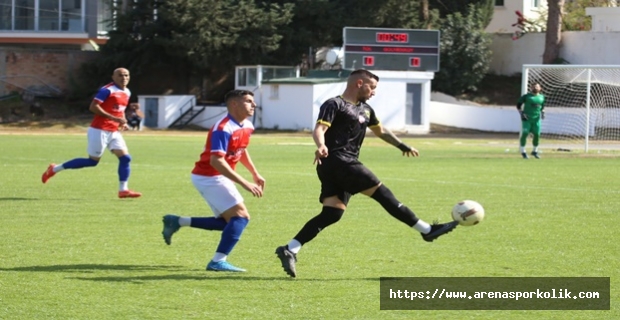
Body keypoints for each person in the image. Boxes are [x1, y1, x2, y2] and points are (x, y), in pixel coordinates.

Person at [275, 69, 459, 278]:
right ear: (359, 83)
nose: (373, 92)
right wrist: (321, 145)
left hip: (333, 166)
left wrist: (402, 146)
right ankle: (427, 230)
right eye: (372, 87)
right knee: (383, 194)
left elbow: (380, 131)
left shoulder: (366, 110)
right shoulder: (334, 104)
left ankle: (290, 248)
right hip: (340, 161)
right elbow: (319, 129)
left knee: (332, 214)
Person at [161, 90, 265, 272]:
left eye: (253, 101)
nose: (253, 105)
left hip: (218, 176)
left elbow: (241, 149)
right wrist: (244, 183)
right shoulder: (223, 128)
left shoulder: (247, 125)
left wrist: (254, 173)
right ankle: (217, 261)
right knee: (240, 217)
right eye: (248, 101)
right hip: (210, 176)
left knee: (230, 223)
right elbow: (216, 161)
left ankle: (177, 221)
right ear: (234, 104)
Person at [41, 68, 142, 198]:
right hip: (99, 130)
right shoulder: (107, 90)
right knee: (92, 162)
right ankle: (54, 169)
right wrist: (114, 118)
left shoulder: (127, 91)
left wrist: (122, 122)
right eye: (120, 75)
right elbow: (93, 107)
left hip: (114, 131)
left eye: (127, 75)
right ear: (113, 77)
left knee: (126, 158)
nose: (124, 78)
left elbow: (119, 109)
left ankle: (123, 190)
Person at [517, 83, 545, 159]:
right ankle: (523, 151)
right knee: (525, 133)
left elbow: (542, 107)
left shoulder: (542, 97)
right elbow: (518, 105)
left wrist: (542, 112)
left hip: (536, 119)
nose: (536, 87)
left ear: (540, 88)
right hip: (527, 119)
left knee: (537, 134)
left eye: (537, 86)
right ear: (531, 88)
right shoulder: (526, 96)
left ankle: (535, 151)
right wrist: (521, 113)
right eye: (534, 86)